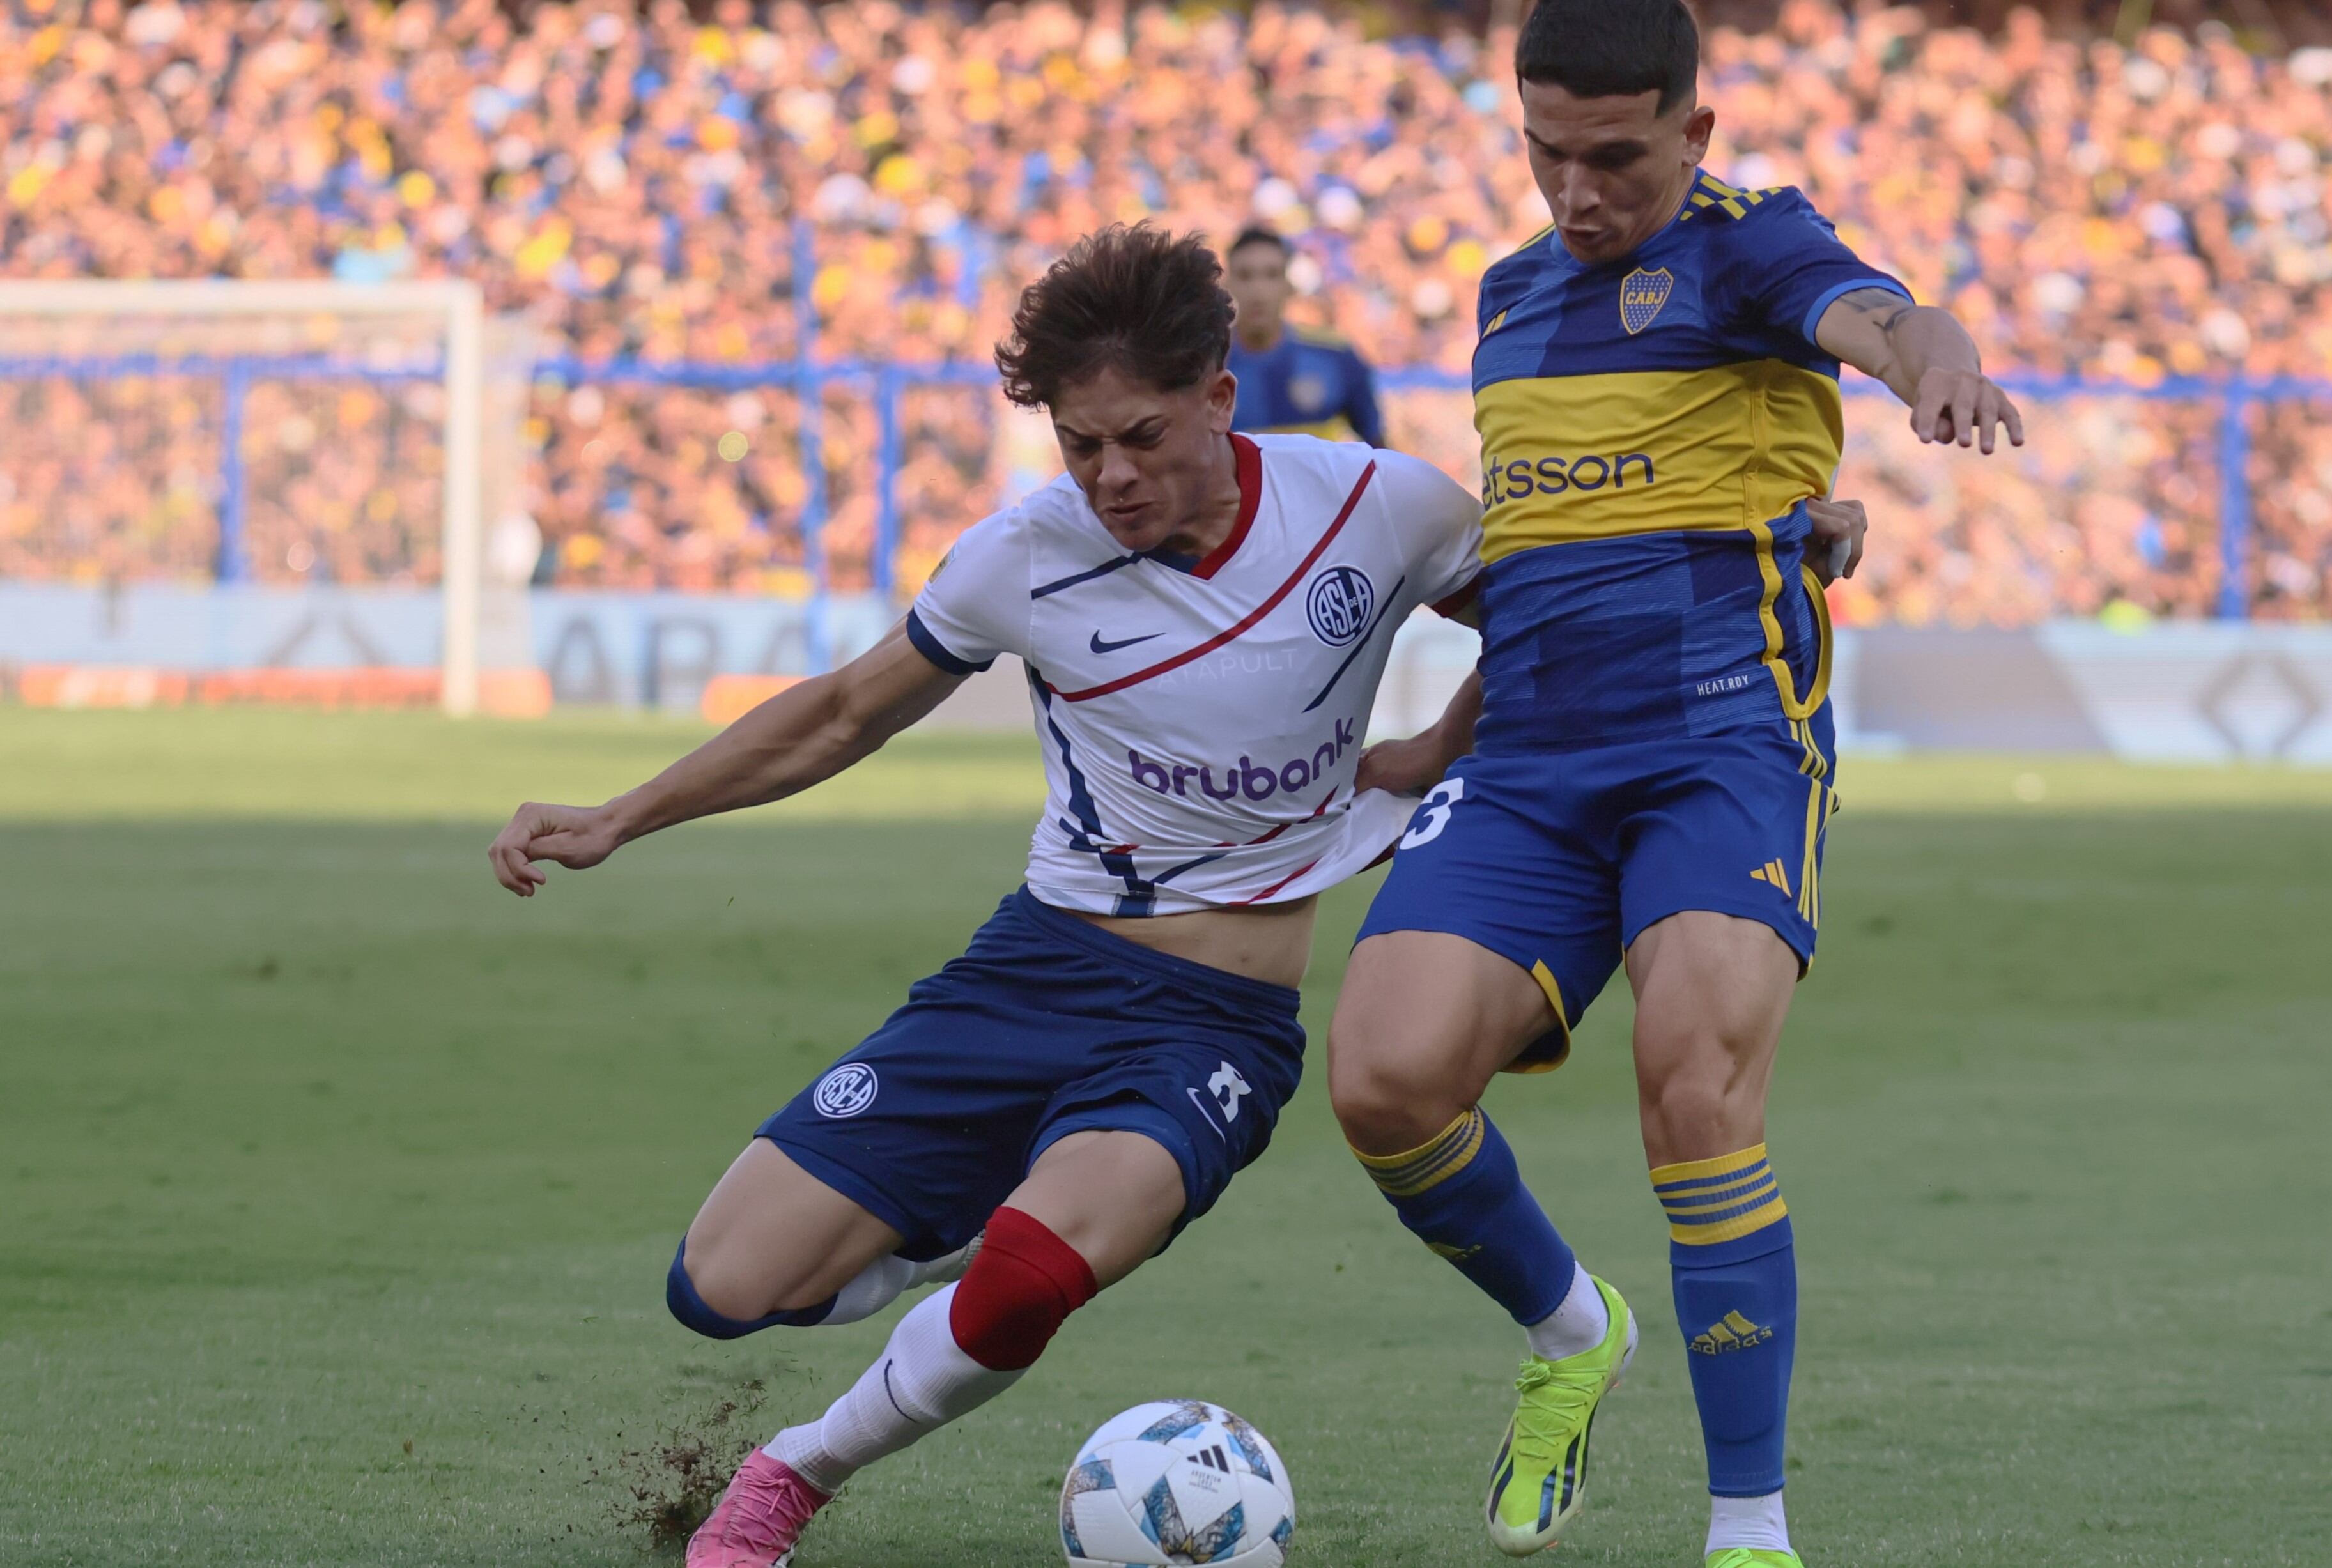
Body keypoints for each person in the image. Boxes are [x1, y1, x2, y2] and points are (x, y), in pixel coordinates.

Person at [484, 224, 1488, 1568]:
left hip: (1212, 1028)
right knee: (720, 1288)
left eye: (1139, 435)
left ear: (1218, 395)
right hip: (1030, 972)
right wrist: (624, 815)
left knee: (1029, 1282)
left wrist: (1436, 749)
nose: (1112, 475)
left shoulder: (1381, 507)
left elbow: (1555, 615)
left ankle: (789, 1479)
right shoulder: (1024, 558)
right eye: (1080, 446)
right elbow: (844, 713)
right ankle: (953, 1235)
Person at [1322, 4, 2024, 1567]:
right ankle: (1573, 1328)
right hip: (1527, 770)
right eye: (1545, 154)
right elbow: (1548, 572)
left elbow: (1892, 319)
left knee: (1690, 1084)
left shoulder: (1752, 248)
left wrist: (1939, 371)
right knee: (1379, 1079)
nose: (1577, 192)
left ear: (1692, 135)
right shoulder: (1506, 300)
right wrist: (1433, 747)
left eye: (1616, 157)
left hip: (1720, 745)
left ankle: (1747, 1527)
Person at [1224, 226, 1386, 447]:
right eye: (1245, 276)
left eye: (1272, 275)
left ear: (1289, 286)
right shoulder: (1207, 365)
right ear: (1228, 285)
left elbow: (1378, 448)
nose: (1258, 290)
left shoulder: (1335, 356)